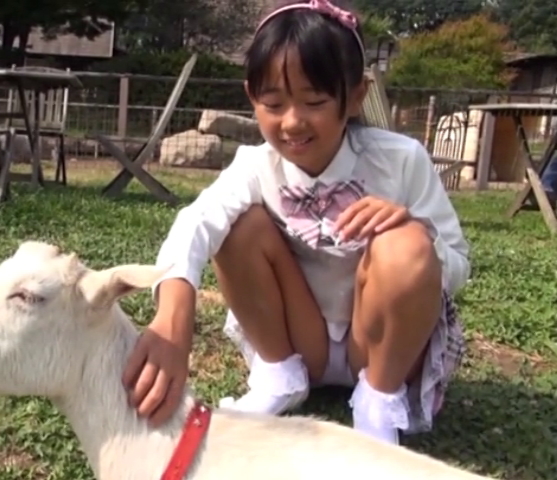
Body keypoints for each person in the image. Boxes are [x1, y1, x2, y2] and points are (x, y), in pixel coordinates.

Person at [121, 0, 470, 447]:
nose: (292, 122)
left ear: (356, 96)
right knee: (238, 227)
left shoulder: (401, 161)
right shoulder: (256, 165)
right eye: (273, 103)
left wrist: (415, 230)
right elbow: (196, 223)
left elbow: (458, 265)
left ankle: (378, 402)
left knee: (408, 243)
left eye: (314, 101)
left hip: (382, 348)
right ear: (252, 97)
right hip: (305, 343)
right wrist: (172, 314)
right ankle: (281, 376)